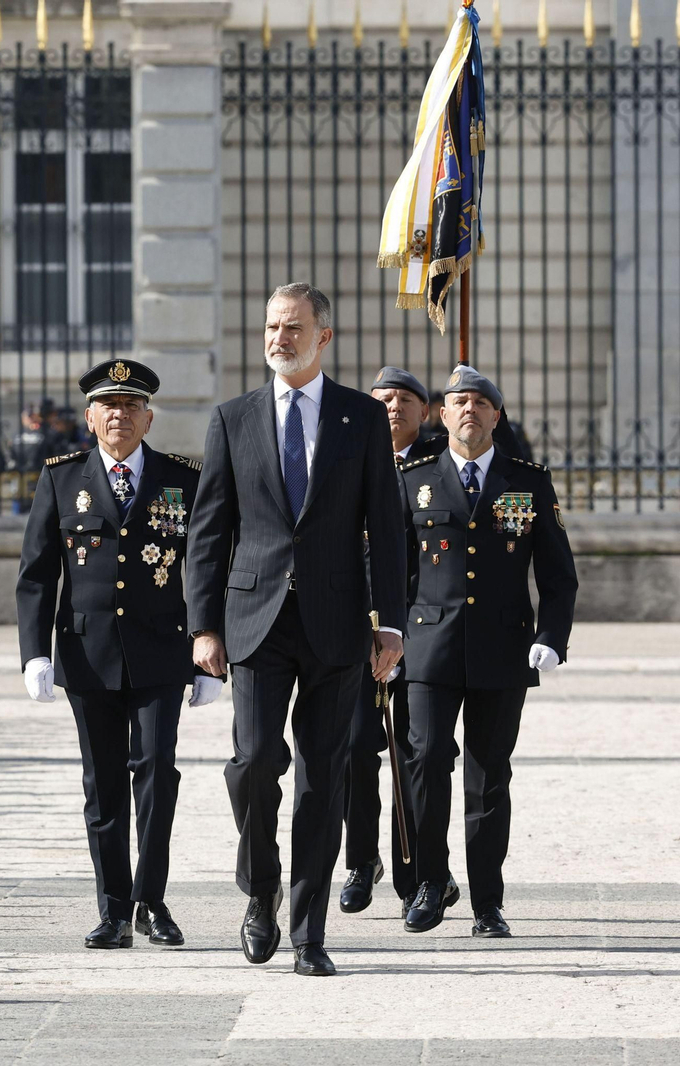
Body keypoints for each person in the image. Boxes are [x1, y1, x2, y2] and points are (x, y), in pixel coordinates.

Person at [183, 283, 406, 978]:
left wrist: (391, 624)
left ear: (323, 337)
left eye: (294, 326)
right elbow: (208, 530)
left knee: (321, 780)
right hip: (253, 622)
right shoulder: (233, 418)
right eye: (273, 326)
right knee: (253, 764)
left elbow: (387, 528)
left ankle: (309, 933)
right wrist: (204, 626)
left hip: (337, 625)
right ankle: (261, 887)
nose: (280, 336)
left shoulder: (361, 418)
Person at [16, 358, 217, 951]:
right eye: (109, 406)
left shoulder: (181, 478)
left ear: (148, 417)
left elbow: (206, 567)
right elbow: (36, 575)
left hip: (160, 652)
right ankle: (113, 909)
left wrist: (210, 646)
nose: (120, 416)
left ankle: (151, 900)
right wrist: (34, 653)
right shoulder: (61, 477)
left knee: (157, 773)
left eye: (131, 407)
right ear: (89, 417)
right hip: (87, 651)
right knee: (103, 784)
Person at [398, 365, 577, 938]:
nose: (469, 410)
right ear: (441, 416)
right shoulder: (414, 479)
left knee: (488, 776)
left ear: (496, 416)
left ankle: (486, 903)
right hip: (428, 647)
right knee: (424, 761)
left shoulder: (528, 481)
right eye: (458, 403)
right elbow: (389, 568)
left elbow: (558, 574)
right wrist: (386, 635)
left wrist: (550, 637)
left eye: (480, 402)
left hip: (503, 649)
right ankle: (428, 882)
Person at [338, 365, 435, 916]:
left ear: (425, 412)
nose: (392, 406)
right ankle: (360, 860)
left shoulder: (437, 467)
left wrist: (402, 629)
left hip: (419, 632)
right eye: (382, 398)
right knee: (355, 748)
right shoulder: (349, 459)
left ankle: (414, 872)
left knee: (413, 754)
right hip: (356, 633)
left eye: (404, 398)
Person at [6, 402, 67, 512]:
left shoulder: (16, 435)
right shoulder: (51, 433)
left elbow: (11, 459)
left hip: (23, 483)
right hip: (40, 482)